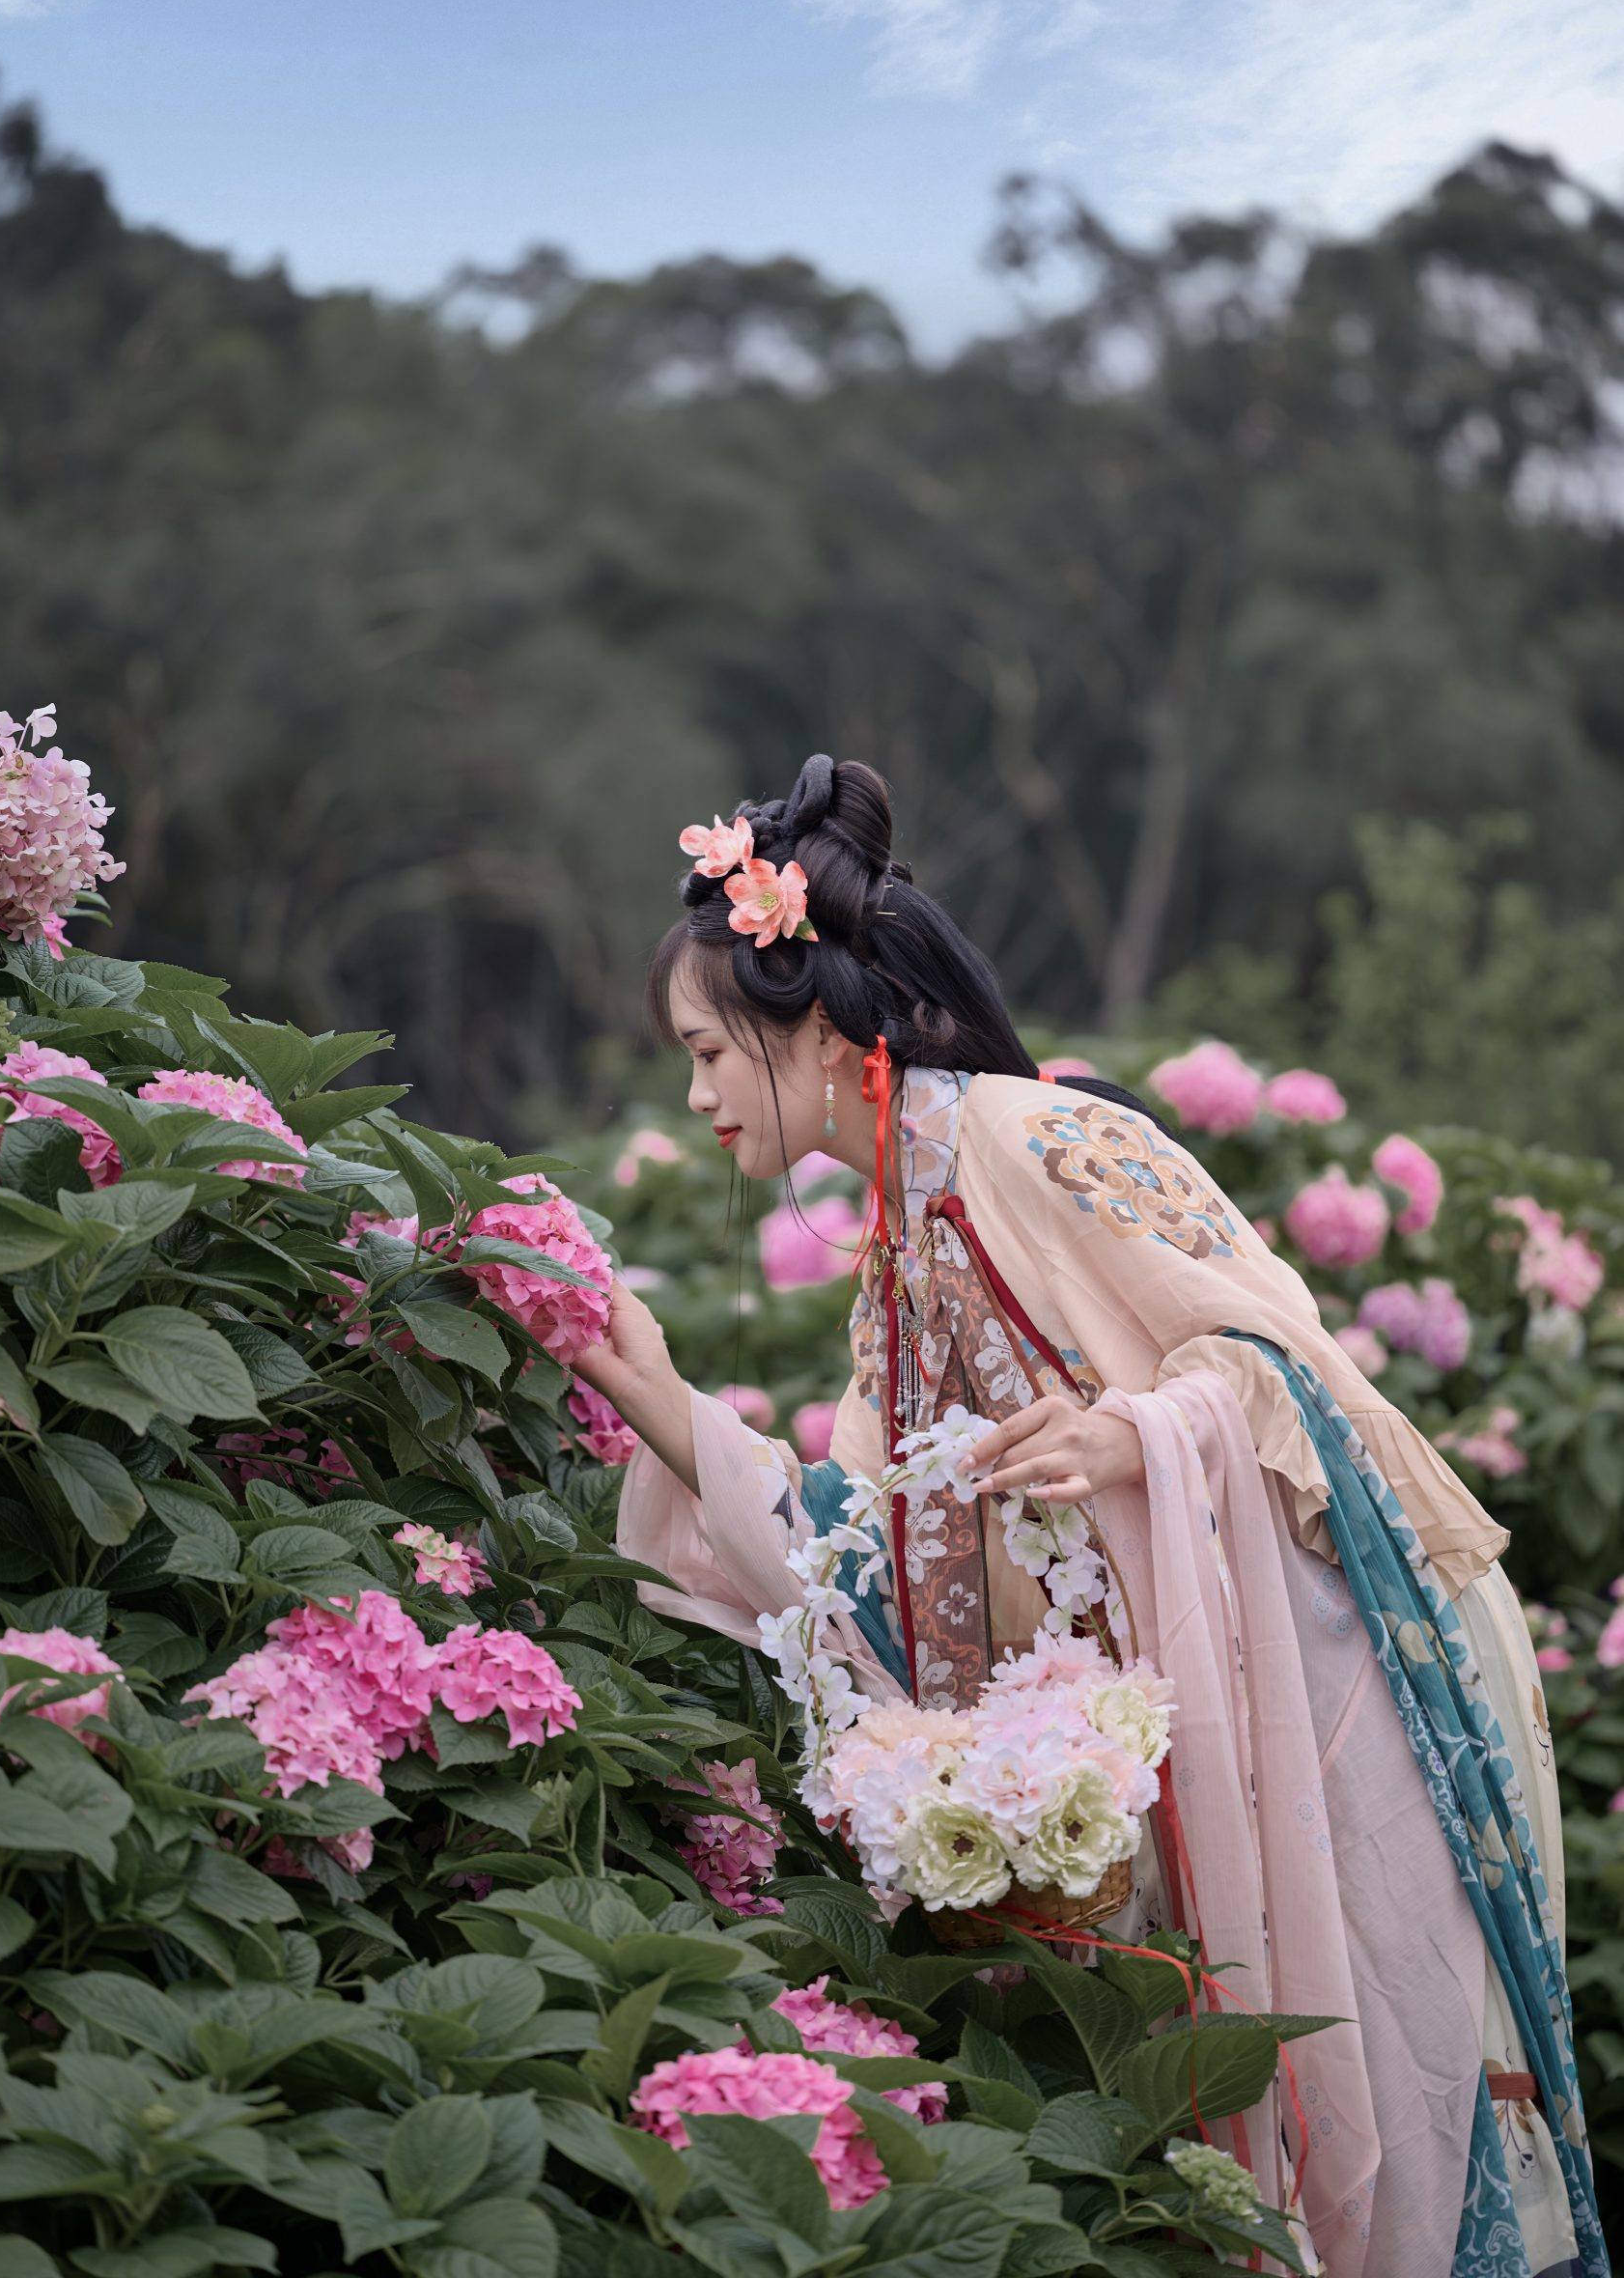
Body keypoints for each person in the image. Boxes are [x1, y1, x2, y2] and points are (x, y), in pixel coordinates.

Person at [571, 751, 1605, 2278]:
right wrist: (647, 1388)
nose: (695, 1091)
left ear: (803, 1023)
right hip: (1150, 1810)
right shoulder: (898, 1267)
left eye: (707, 1050)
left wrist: (1136, 1433)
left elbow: (1298, 1378)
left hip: (1307, 1744)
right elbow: (858, 1560)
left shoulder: (1044, 1140)